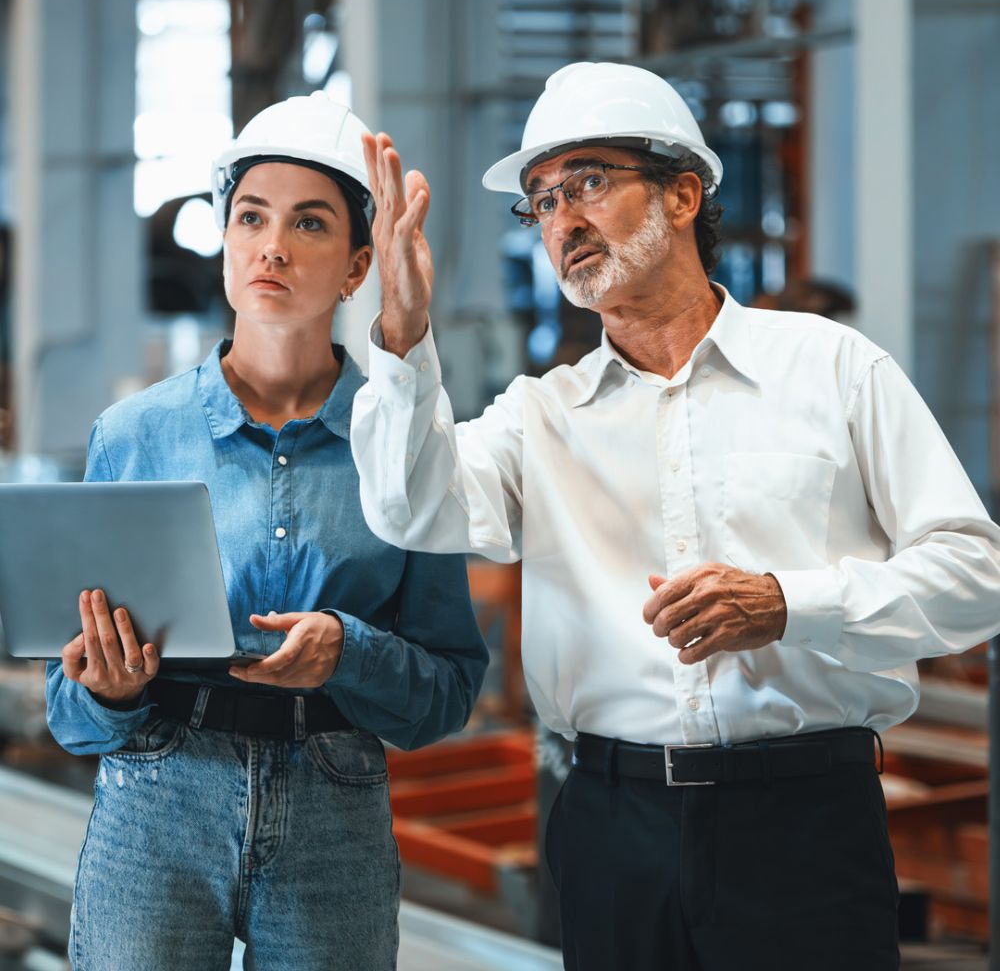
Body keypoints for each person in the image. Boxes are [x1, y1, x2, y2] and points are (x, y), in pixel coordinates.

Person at [350, 62, 1000, 970]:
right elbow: (406, 506)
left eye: (588, 183)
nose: (562, 222)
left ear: (684, 192)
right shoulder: (542, 414)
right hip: (613, 829)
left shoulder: (833, 369)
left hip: (805, 823)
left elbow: (977, 574)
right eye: (540, 203)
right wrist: (402, 337)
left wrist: (788, 604)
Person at [45, 92, 487, 971]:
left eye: (310, 224)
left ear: (361, 265)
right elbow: (68, 711)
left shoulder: (404, 439)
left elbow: (447, 689)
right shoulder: (134, 436)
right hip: (157, 803)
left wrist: (348, 652)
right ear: (227, 240)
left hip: (335, 809)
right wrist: (109, 691)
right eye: (251, 218)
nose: (273, 247)